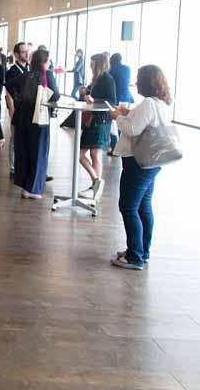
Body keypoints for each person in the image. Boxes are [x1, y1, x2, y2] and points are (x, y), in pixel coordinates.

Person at [109, 65, 173, 270]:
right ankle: (141, 250)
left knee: (128, 206)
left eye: (138, 79)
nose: (136, 83)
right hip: (153, 162)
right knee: (143, 205)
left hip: (138, 162)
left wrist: (117, 117)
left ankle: (134, 256)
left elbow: (133, 129)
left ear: (146, 82)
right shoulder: (160, 103)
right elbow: (145, 123)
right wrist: (128, 113)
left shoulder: (147, 103)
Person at [8, 48, 60, 199]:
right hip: (39, 119)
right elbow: (56, 95)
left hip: (22, 118)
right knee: (39, 153)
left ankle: (25, 186)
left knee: (24, 152)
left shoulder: (26, 75)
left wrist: (18, 98)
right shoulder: (47, 75)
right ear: (44, 62)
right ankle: (34, 189)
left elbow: (9, 84)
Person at [78, 53, 117, 202]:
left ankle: (95, 185)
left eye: (92, 63)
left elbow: (112, 101)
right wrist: (87, 93)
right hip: (93, 120)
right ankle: (96, 183)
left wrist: (94, 99)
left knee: (94, 153)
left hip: (101, 120)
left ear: (98, 64)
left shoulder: (107, 79)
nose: (90, 66)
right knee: (87, 154)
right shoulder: (97, 79)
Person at [5, 42, 30, 175]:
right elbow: (8, 93)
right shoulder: (12, 72)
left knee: (27, 138)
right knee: (15, 138)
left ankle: (25, 165)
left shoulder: (30, 69)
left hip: (29, 109)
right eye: (23, 52)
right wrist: (12, 110)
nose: (27, 54)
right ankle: (13, 167)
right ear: (16, 54)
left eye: (27, 51)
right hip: (17, 109)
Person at [108, 52, 134, 154]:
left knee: (114, 123)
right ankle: (122, 146)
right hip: (127, 98)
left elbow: (110, 83)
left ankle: (114, 147)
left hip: (117, 98)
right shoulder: (127, 69)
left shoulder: (112, 69)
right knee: (123, 121)